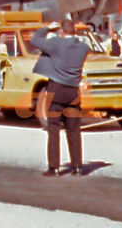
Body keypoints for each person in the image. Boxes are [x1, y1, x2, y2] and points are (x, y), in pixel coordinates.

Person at [30, 20, 91, 176]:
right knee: (74, 130)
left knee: (54, 129)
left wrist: (48, 28)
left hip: (56, 89)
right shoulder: (83, 48)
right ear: (75, 31)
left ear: (62, 32)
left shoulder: (56, 44)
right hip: (73, 91)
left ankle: (54, 167)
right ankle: (77, 166)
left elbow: (35, 39)